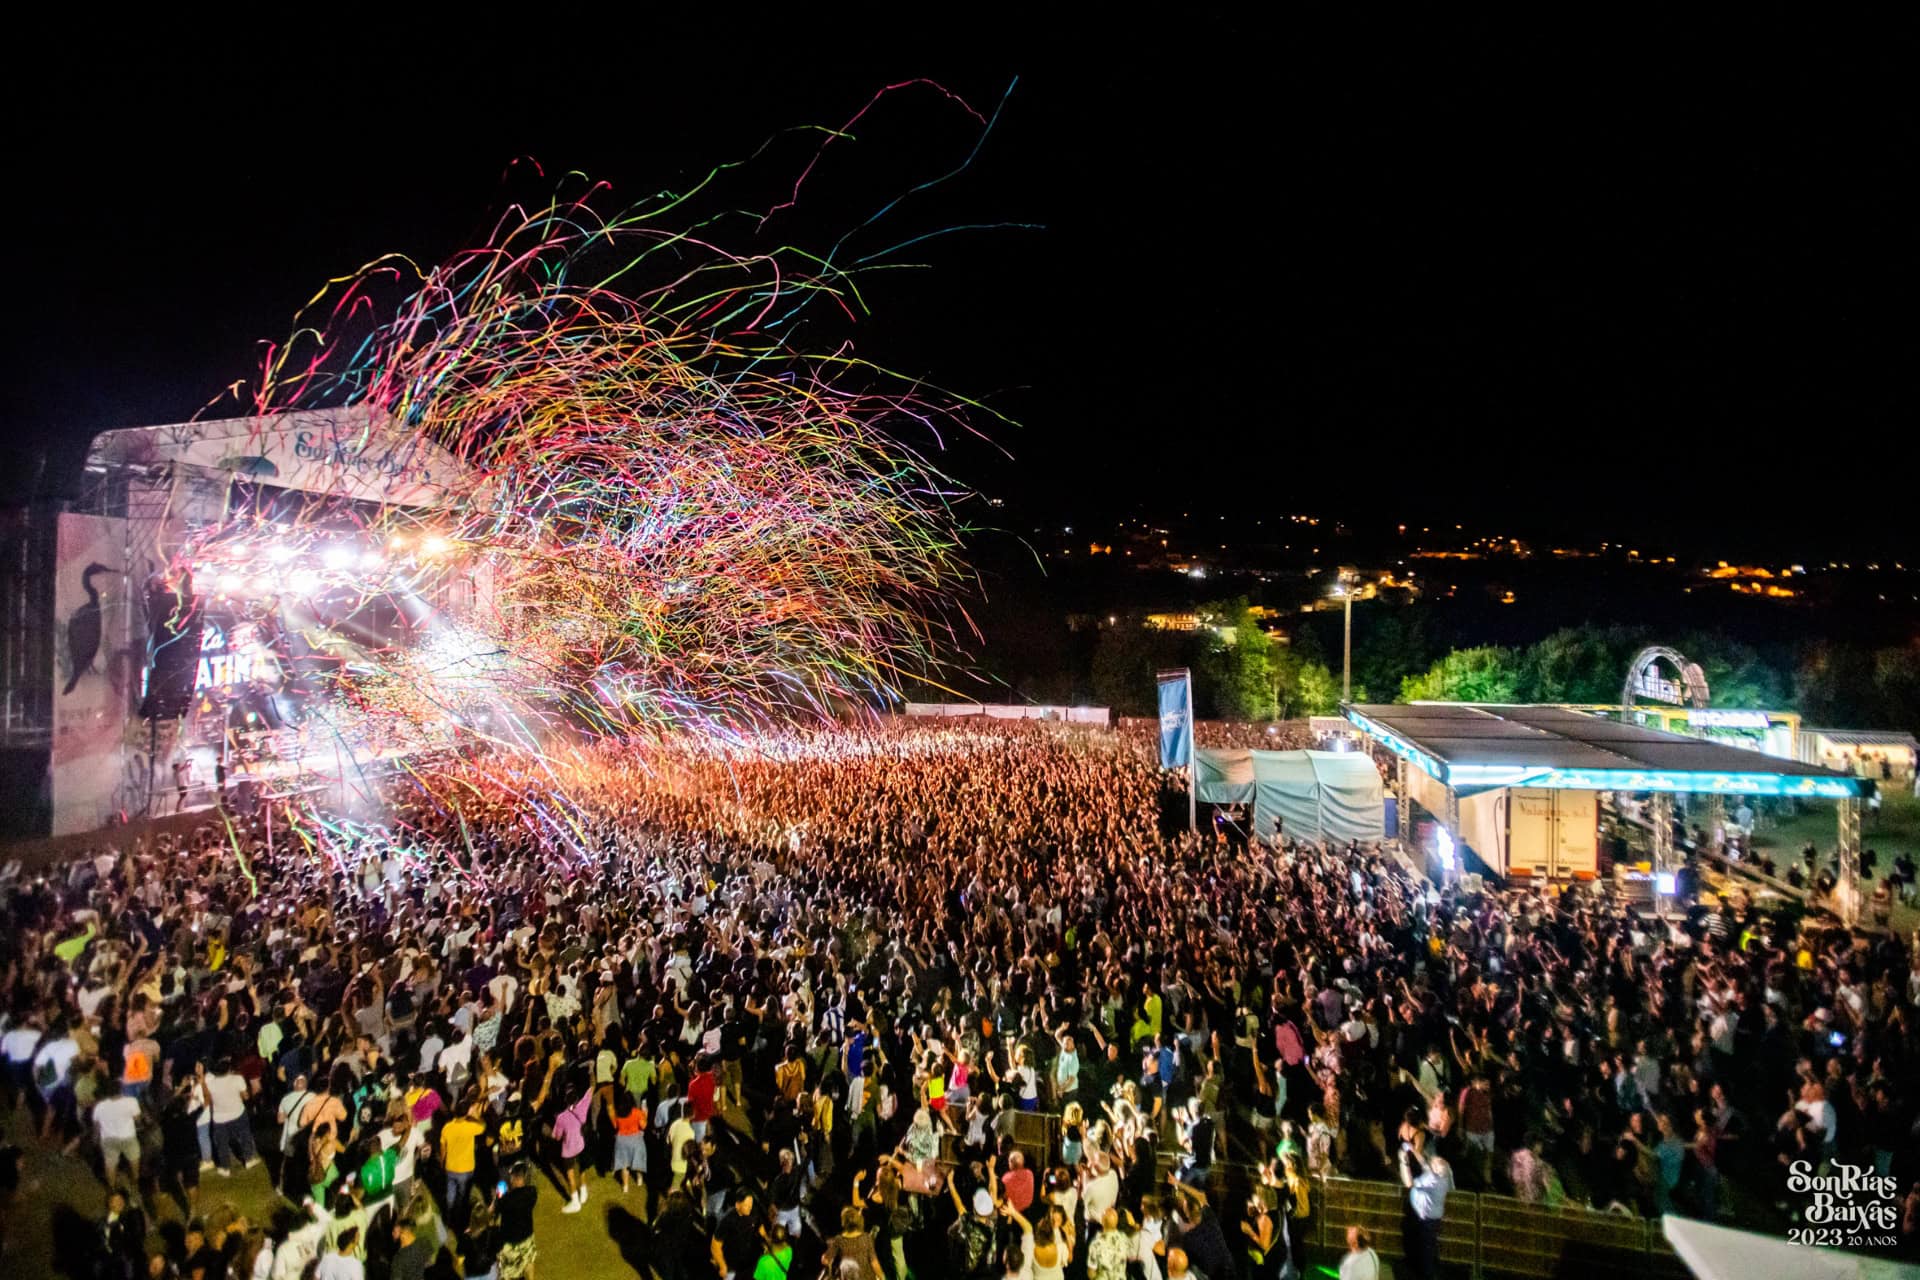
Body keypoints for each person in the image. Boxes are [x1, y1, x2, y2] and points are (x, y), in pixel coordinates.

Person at [1401, 1137, 1451, 1280]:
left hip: (1426, 1218)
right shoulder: (1443, 1176)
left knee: (1425, 1247)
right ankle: (1431, 1268)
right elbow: (1425, 1163)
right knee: (1430, 1244)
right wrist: (1412, 1149)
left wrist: (1404, 1162)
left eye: (1433, 1163)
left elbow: (1410, 1183)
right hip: (1435, 1216)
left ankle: (1426, 1274)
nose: (1431, 1162)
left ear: (1435, 1170)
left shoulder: (1431, 1180)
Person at [496, 1162, 538, 1280]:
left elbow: (498, 1207)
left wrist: (500, 1195)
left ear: (514, 1178)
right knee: (529, 1261)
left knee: (508, 1273)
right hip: (527, 1237)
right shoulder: (532, 1192)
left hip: (510, 1242)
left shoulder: (506, 1200)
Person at [821, 1205, 882, 1279]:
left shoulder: (839, 1240)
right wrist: (882, 1277)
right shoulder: (866, 1238)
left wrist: (824, 1257)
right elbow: (874, 1262)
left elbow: (826, 1260)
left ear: (843, 1222)